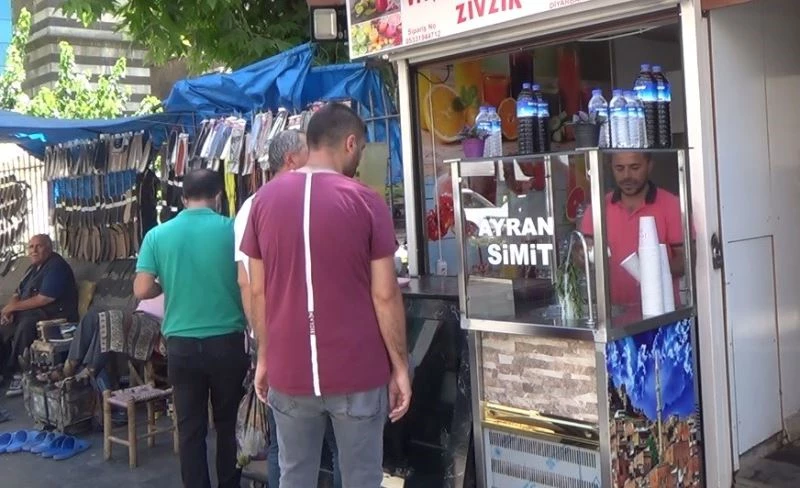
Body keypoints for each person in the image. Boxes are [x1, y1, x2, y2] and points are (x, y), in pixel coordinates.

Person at [240, 102, 412, 488]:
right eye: (362, 150)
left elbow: (256, 290)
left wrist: (264, 357)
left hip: (289, 368)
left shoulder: (262, 202)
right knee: (361, 478)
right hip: (358, 371)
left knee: (295, 476)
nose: (360, 158)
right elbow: (385, 295)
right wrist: (399, 366)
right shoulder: (366, 201)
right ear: (350, 143)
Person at [234, 130, 341, 488]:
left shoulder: (257, 204)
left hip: (282, 341)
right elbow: (250, 283)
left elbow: (248, 283)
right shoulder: (258, 206)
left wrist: (262, 343)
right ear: (292, 159)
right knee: (328, 440)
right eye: (308, 153)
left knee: (291, 443)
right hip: (299, 340)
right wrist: (262, 343)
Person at [134, 169, 249, 488]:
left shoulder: (158, 235)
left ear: (183, 198)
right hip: (227, 343)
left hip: (182, 346)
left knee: (190, 428)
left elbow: (142, 289)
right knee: (228, 426)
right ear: (218, 197)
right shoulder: (233, 230)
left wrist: (165, 286)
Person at [579, 151, 689, 307]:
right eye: (619, 168)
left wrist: (651, 270)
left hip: (661, 311)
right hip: (612, 313)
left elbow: (686, 260)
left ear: (649, 166)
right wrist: (582, 256)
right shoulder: (598, 207)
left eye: (635, 167)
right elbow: (583, 251)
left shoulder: (672, 205)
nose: (626, 176)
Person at [1, 234, 78, 396]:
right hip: (32, 311)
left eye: (39, 246)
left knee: (26, 325)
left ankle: (19, 373)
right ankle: (3, 370)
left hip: (56, 316)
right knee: (4, 321)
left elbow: (45, 298)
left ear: (49, 248)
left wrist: (14, 307)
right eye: (31, 246)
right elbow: (18, 292)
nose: (34, 250)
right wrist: (10, 309)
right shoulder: (32, 268)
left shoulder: (57, 266)